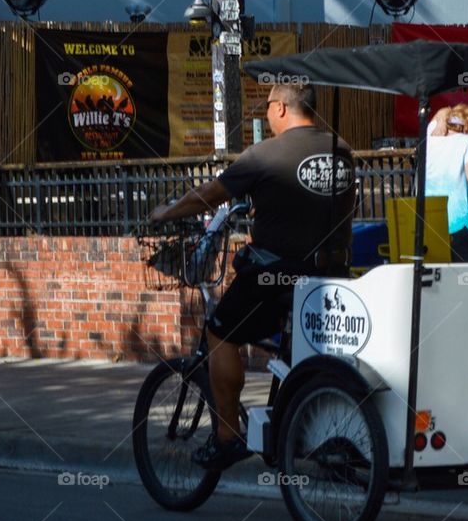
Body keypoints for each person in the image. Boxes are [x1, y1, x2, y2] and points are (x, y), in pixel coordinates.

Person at [149, 81, 355, 470]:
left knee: (221, 330)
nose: (266, 116)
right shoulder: (341, 150)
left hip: (277, 274)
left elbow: (209, 195)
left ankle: (227, 436)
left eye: (266, 109)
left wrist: (166, 212)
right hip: (332, 274)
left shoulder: (264, 154)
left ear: (280, 108)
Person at [425, 104, 468, 261]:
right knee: (466, 277)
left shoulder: (430, 138)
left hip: (431, 220)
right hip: (462, 220)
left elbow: (440, 111)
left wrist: (443, 120)